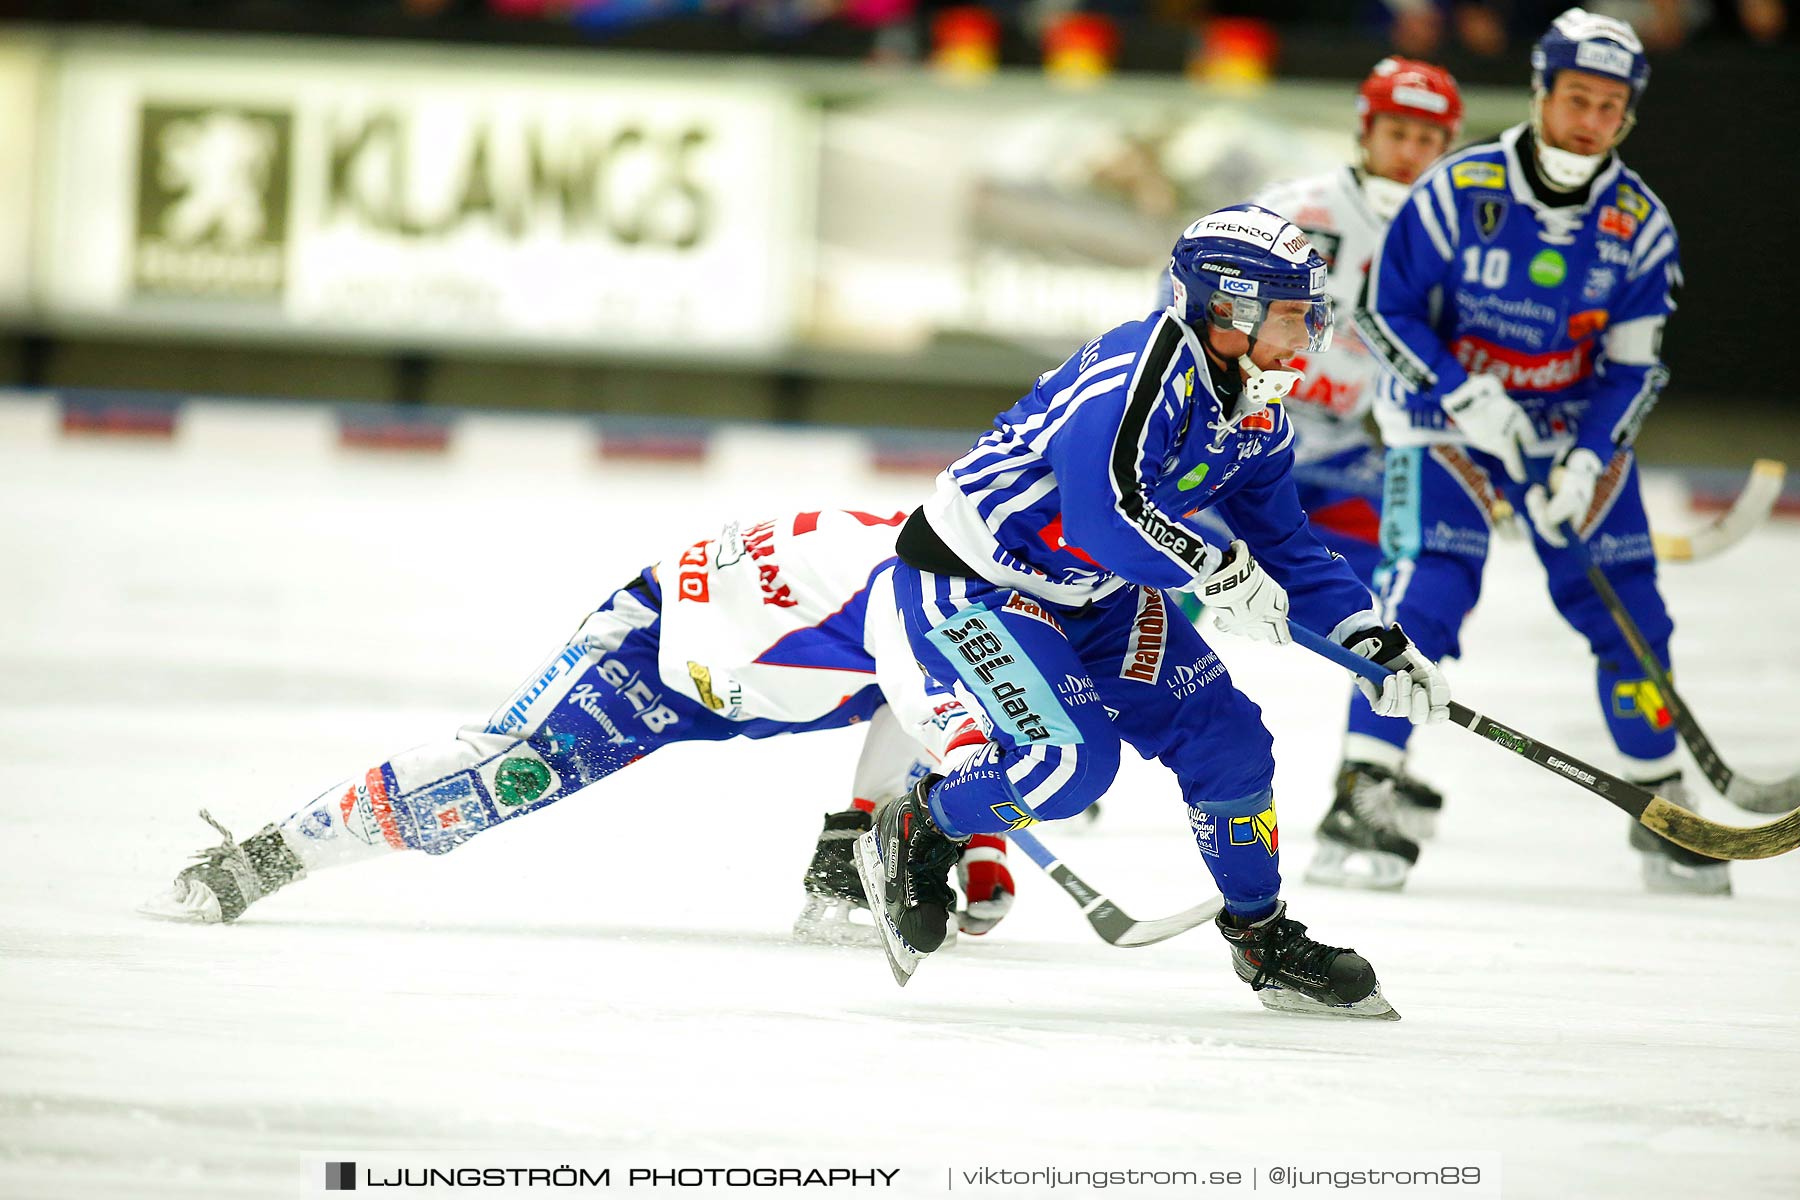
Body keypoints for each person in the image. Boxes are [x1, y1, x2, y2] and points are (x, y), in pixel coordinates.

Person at [854, 202, 1452, 1019]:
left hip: (1097, 595)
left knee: (1231, 741)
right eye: (1289, 318)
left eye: (1310, 318)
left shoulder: (1259, 408)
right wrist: (1212, 571)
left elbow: (1288, 545)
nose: (1305, 339)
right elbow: (1102, 516)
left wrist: (1374, 638)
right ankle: (922, 821)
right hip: (975, 585)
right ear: (1225, 311)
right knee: (1068, 767)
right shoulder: (1138, 371)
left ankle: (1262, 936)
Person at [140, 508, 1017, 937]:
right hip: (660, 646)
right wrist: (971, 829)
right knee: (501, 775)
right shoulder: (942, 594)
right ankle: (269, 855)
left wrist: (953, 829)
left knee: (928, 686)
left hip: (764, 663)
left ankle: (854, 850)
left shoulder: (962, 577)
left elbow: (933, 707)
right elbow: (940, 703)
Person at [1323, 8, 1725, 895]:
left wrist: (1585, 460)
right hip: (1445, 424)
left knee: (1630, 614)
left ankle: (1660, 800)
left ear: (1628, 117)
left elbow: (1632, 368)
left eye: (1608, 108)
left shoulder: (1642, 226)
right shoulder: (1455, 190)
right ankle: (1362, 785)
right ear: (1542, 92)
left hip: (1570, 433)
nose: (1589, 121)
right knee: (1424, 595)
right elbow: (1385, 316)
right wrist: (1461, 393)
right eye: (1575, 98)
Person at [1182, 57, 1467, 877]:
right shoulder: (1294, 210)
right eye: (1395, 131)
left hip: (1352, 455)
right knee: (1169, 577)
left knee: (1402, 597)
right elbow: (1195, 306)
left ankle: (1368, 772)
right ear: (1364, 128)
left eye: (1427, 137)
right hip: (1247, 437)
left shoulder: (1451, 233)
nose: (1409, 151)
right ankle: (1076, 713)